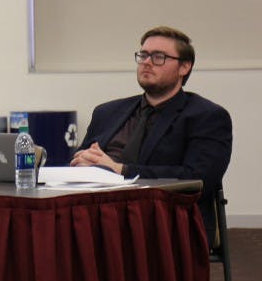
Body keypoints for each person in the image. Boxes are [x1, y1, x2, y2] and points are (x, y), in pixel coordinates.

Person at [70, 26, 232, 242]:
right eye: (143, 55)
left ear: (184, 67)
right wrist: (82, 163)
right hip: (99, 214)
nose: (146, 62)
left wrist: (120, 171)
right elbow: (83, 160)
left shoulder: (206, 117)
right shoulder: (107, 112)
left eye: (159, 57)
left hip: (166, 221)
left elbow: (198, 179)